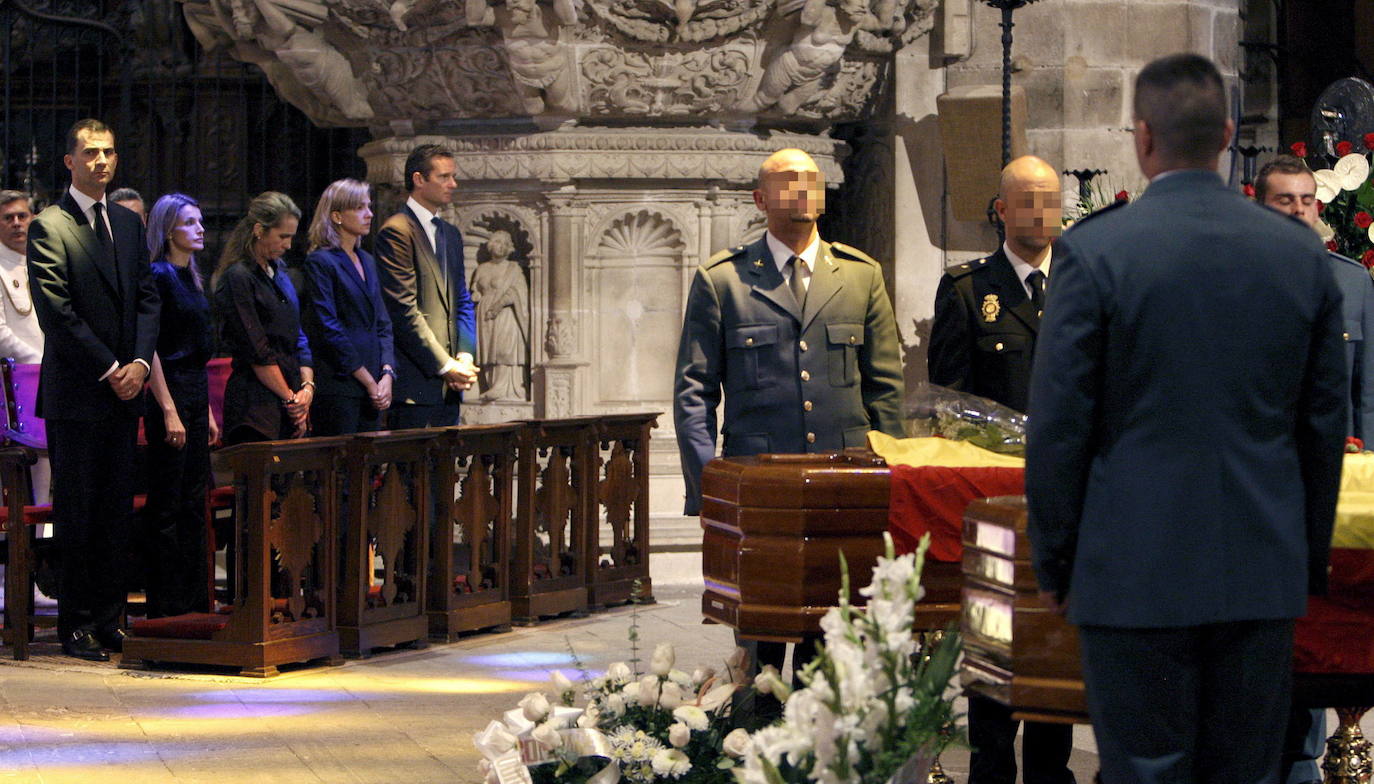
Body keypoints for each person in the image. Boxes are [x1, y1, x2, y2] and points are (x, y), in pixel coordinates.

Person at [1025, 54, 1347, 783]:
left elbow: (1059, 426)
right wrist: (1305, 557)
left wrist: (1057, 561)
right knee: (1248, 772)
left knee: (1145, 769)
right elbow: (1324, 423)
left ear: (1142, 138)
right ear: (1228, 135)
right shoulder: (1296, 253)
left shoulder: (1095, 250)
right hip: (1260, 564)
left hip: (1132, 567)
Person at [673, 147, 904, 675]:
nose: (802, 189)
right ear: (760, 198)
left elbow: (885, 388)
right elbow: (694, 391)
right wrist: (709, 485)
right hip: (760, 492)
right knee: (762, 647)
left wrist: (892, 482)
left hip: (843, 483)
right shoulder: (724, 281)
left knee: (838, 646)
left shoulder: (860, 275)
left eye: (811, 180)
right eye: (787, 180)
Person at [927, 155, 1075, 784]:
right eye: (1028, 201)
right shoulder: (968, 289)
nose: (1042, 214)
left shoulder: (1083, 284)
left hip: (1065, 499)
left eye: (1051, 201)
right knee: (992, 634)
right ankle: (991, 766)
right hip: (992, 504)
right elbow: (948, 402)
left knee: (1053, 638)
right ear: (1001, 210)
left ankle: (1051, 770)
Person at [1255, 153, 1372, 784]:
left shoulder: (1351, 281)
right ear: (1260, 207)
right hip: (1262, 490)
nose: (1301, 211)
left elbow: (1368, 393)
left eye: (1308, 200)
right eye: (1285, 201)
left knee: (1322, 636)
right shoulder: (1236, 281)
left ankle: (1302, 764)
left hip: (1335, 493)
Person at [26, 119, 160, 661]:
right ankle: (76, 624)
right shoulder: (50, 226)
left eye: (108, 152)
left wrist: (140, 365)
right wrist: (111, 368)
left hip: (126, 391)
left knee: (114, 514)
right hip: (81, 394)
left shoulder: (127, 226)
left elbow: (148, 299)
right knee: (78, 514)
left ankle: (111, 619)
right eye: (90, 153)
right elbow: (57, 312)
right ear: (70, 162)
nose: (101, 161)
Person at [142, 193, 218, 618]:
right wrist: (169, 408)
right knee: (168, 502)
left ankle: (195, 601)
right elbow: (151, 349)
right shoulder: (159, 275)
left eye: (201, 220)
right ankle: (166, 606)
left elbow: (197, 351)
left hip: (194, 391)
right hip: (167, 394)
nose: (200, 228)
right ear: (169, 229)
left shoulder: (191, 275)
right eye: (190, 222)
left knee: (193, 500)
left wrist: (204, 410)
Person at [375, 144, 477, 429]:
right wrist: (445, 366)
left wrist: (465, 356)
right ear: (419, 179)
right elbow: (404, 310)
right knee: (411, 471)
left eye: (453, 176)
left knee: (443, 470)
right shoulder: (397, 230)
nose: (452, 184)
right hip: (415, 381)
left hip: (450, 386)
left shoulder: (451, 234)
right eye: (444, 177)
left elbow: (462, 298)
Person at [212, 191, 314, 445]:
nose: (288, 245)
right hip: (256, 404)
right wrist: (291, 399)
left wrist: (307, 390)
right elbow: (256, 348)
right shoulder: (239, 276)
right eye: (283, 236)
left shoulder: (280, 271)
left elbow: (297, 334)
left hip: (290, 395)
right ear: (259, 229)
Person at [301, 178, 395, 435]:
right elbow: (329, 327)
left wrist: (387, 374)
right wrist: (367, 380)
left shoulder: (367, 259)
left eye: (369, 206)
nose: (370, 214)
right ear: (337, 216)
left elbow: (382, 322)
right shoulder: (321, 261)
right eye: (360, 208)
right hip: (342, 383)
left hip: (374, 383)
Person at [471, 229, 528, 401]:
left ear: (509, 248)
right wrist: (476, 294)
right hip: (484, 315)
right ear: (490, 245)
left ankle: (506, 388)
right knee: (489, 352)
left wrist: (498, 306)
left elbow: (518, 291)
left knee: (504, 349)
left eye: (505, 243)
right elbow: (475, 288)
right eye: (497, 242)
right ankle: (491, 385)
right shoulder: (482, 268)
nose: (500, 246)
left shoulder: (513, 268)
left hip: (506, 313)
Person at [0, 191, 43, 364]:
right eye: (8, 218)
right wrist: (38, 362)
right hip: (15, 377)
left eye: (22, 216)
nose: (16, 223)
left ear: (33, 218)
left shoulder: (44, 262)